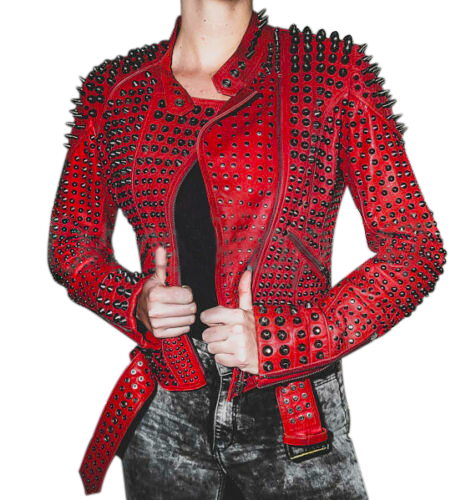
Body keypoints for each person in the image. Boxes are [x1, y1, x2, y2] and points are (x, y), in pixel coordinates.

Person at [46, 0, 447, 498]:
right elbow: (72, 246)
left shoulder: (330, 70)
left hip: (294, 411)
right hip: (164, 408)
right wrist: (134, 302)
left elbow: (415, 248)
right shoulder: (114, 88)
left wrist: (288, 339)